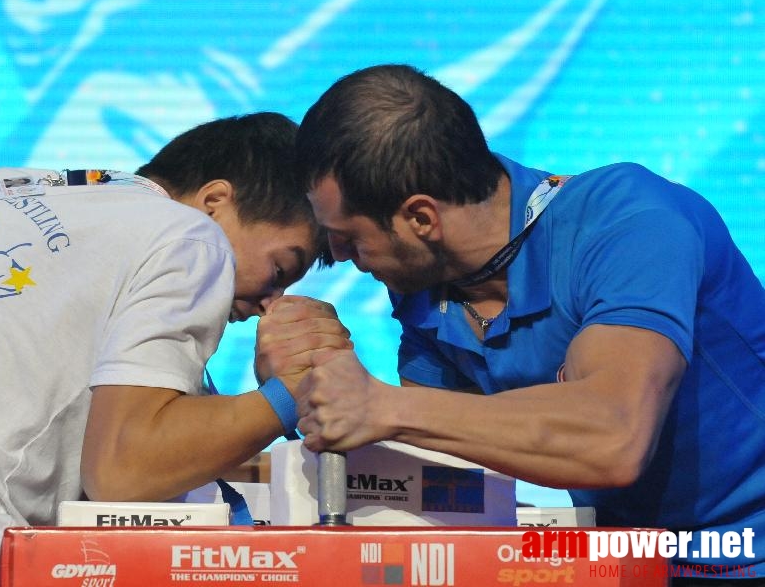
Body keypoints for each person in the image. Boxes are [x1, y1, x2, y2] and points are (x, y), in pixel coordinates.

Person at [261, 64, 765, 583]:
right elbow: (439, 475)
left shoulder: (632, 220)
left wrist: (380, 403)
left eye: (347, 237)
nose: (339, 257)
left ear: (421, 218)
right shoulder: (426, 285)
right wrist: (301, 390)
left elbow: (614, 439)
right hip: (624, 558)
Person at [0, 112, 350, 587]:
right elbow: (123, 470)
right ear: (214, 201)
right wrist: (293, 392)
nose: (270, 304)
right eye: (281, 269)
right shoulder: (192, 236)